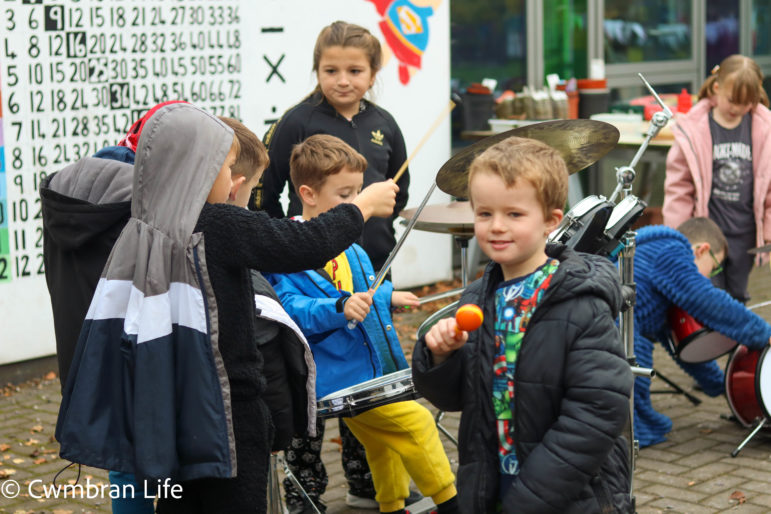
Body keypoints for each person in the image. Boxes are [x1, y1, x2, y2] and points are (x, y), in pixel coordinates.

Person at [54, 103, 400, 514]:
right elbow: (306, 245)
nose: (235, 182)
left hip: (175, 409)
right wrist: (360, 206)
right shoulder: (216, 225)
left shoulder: (143, 227)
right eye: (227, 167)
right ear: (195, 170)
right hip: (228, 414)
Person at [412, 136, 634, 513]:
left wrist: (531, 498)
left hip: (564, 494)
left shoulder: (580, 302)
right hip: (493, 484)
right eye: (484, 214)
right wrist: (439, 357)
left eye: (514, 214)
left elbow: (599, 410)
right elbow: (456, 398)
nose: (496, 226)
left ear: (551, 220)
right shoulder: (478, 297)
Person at [253, 20, 412, 509]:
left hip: (368, 265)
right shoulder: (297, 121)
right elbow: (265, 189)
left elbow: (398, 188)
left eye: (355, 70)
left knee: (365, 375)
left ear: (373, 72)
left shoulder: (384, 121)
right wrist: (289, 244)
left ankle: (364, 481)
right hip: (308, 272)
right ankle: (306, 490)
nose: (343, 80)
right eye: (331, 70)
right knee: (311, 383)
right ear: (316, 70)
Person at [266, 134, 459, 514]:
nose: (356, 204)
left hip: (371, 370)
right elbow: (291, 307)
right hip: (336, 377)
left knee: (382, 443)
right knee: (416, 423)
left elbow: (364, 291)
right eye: (345, 195)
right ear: (308, 193)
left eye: (358, 192)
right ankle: (453, 502)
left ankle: (391, 506)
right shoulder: (287, 247)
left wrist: (389, 297)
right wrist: (338, 307)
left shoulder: (352, 248)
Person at [629, 217, 771, 448]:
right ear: (701, 250)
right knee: (635, 413)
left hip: (622, 323)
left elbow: (682, 346)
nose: (708, 278)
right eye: (714, 268)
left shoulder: (654, 258)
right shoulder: (672, 251)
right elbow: (709, 301)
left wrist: (722, 386)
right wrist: (764, 333)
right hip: (615, 323)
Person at [663, 54, 771, 302]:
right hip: (707, 235)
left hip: (745, 236)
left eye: (746, 104)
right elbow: (679, 188)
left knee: (737, 297)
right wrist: (678, 237)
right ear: (716, 87)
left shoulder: (764, 128)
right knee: (707, 298)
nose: (737, 109)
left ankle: (736, 341)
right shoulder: (693, 128)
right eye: (732, 100)